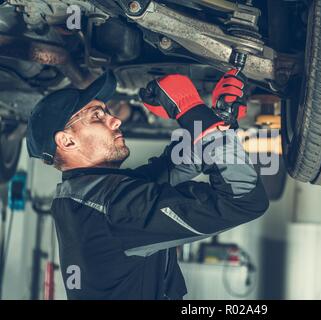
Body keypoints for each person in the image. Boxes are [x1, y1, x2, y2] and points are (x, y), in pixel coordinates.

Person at [26, 70, 269, 299]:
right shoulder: (112, 207)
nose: (116, 120)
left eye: (106, 112)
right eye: (97, 116)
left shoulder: (87, 195)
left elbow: (177, 165)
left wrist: (212, 119)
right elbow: (244, 200)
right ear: (67, 142)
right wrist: (192, 111)